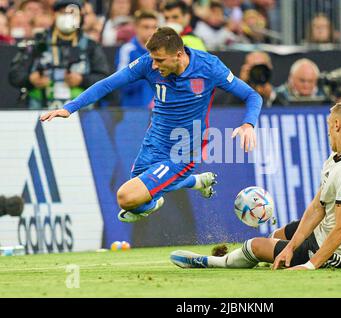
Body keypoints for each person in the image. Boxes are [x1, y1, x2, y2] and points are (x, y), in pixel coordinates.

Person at [39, 27, 262, 223]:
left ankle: (172, 190)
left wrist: (248, 124)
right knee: (135, 203)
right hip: (153, 142)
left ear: (178, 54)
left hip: (183, 150)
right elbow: (108, 84)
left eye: (160, 60)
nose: (154, 66)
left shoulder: (209, 67)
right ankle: (193, 182)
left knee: (126, 197)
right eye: (152, 59)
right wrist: (70, 108)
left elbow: (252, 96)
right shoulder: (148, 63)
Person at [171, 101, 341, 270]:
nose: (327, 132)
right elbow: (318, 207)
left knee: (255, 246)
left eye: (328, 125)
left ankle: (210, 262)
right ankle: (277, 254)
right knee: (278, 235)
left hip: (340, 253)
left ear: (336, 125)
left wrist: (310, 265)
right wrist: (290, 247)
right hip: (322, 232)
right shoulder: (336, 158)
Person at [8, 0, 110, 109]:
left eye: (72, 13)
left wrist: (82, 80)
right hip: (40, 109)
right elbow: (14, 75)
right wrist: (30, 80)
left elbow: (104, 79)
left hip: (80, 113)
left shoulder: (90, 46)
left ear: (80, 17)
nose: (67, 17)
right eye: (62, 12)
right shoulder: (38, 42)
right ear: (54, 15)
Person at [116, 10, 158, 108]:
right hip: (133, 112)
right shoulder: (127, 50)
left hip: (158, 113)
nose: (151, 31)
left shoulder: (162, 53)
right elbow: (121, 83)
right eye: (146, 27)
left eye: (154, 27)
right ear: (136, 28)